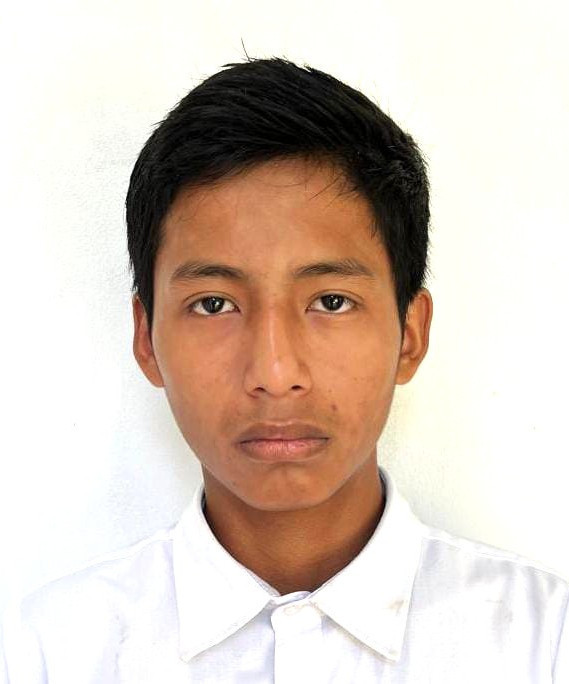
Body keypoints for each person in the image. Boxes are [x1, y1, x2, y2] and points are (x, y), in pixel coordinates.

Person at [1, 56, 567, 683]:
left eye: (332, 302)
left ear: (410, 333)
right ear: (147, 339)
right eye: (214, 304)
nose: (274, 373)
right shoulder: (46, 653)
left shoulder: (544, 643)